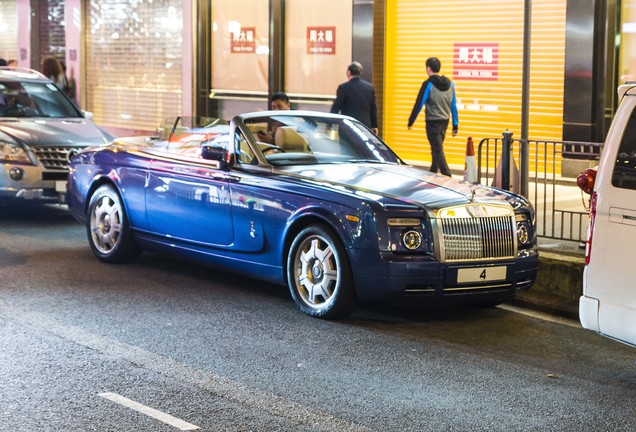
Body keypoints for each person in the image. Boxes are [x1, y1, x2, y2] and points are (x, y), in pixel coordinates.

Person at [407, 57, 459, 177]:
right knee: (436, 149)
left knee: (437, 150)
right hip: (445, 121)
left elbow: (419, 103)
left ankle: (447, 175)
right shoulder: (450, 84)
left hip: (432, 122)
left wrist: (411, 121)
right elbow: (453, 105)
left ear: (428, 68)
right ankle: (432, 173)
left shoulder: (428, 84)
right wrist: (455, 125)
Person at [330, 61, 378, 134]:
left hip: (347, 126)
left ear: (349, 72)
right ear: (360, 73)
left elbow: (336, 107)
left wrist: (330, 123)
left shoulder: (344, 87)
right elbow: (373, 109)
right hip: (365, 126)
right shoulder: (369, 88)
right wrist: (374, 126)